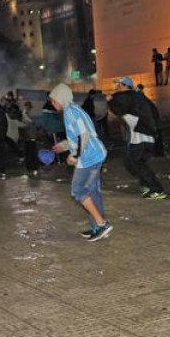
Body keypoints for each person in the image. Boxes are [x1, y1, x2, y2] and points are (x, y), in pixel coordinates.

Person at [49, 83, 112, 242]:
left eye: (54, 99)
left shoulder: (70, 111)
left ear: (61, 98)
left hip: (89, 157)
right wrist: (64, 146)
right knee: (91, 191)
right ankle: (98, 226)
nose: (52, 103)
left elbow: (83, 134)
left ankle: (101, 224)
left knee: (78, 190)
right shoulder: (72, 110)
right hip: (94, 154)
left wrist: (75, 156)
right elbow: (78, 135)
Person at [108, 76, 166, 199]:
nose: (116, 88)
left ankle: (157, 189)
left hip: (142, 137)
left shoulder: (131, 97)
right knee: (132, 162)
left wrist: (110, 100)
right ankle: (147, 185)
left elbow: (119, 103)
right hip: (143, 136)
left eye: (119, 86)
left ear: (125, 86)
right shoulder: (135, 99)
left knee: (135, 162)